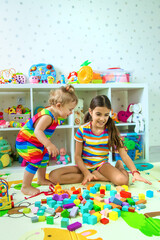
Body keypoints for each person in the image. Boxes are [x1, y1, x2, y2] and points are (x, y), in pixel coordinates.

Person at [49, 95, 152, 186]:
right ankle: (94, 176)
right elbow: (77, 156)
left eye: (106, 115)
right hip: (84, 165)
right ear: (90, 112)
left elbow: (123, 153)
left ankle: (118, 166)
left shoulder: (111, 130)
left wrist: (135, 173)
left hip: (102, 165)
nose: (102, 119)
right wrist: (86, 172)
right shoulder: (82, 130)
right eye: (98, 114)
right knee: (54, 176)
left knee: (123, 181)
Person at [16, 85, 78, 195]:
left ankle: (41, 179)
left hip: (36, 142)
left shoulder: (56, 114)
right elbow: (38, 131)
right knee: (35, 160)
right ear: (59, 106)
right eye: (70, 109)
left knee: (44, 157)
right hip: (25, 142)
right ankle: (25, 186)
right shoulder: (47, 116)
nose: (71, 113)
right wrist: (49, 144)